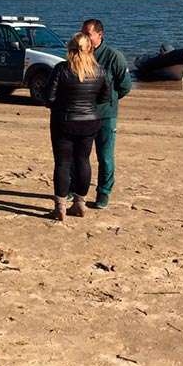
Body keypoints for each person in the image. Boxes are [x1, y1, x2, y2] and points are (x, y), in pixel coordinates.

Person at [45, 33, 111, 221]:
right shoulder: (99, 71)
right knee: (83, 160)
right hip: (89, 121)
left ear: (69, 49)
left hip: (64, 121)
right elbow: (105, 97)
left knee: (63, 163)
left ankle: (60, 206)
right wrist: (88, 105)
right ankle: (80, 203)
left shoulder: (61, 69)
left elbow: (48, 97)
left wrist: (59, 106)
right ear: (90, 49)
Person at [81, 18, 132, 209]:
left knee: (105, 157)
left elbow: (125, 86)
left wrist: (109, 100)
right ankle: (74, 191)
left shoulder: (114, 57)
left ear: (99, 35)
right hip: (82, 114)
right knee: (79, 156)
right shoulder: (78, 54)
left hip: (105, 115)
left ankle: (103, 193)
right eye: (82, 33)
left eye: (88, 34)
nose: (84, 37)